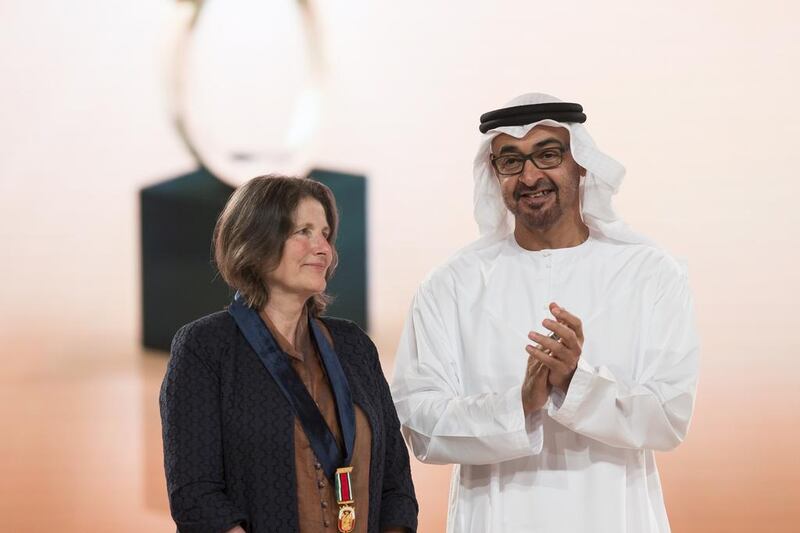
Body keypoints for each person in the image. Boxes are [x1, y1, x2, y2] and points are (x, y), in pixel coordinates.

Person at [391, 93, 699, 532]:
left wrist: (577, 383)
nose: (530, 175)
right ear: (494, 173)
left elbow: (669, 418)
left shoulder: (649, 273)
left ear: (582, 164)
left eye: (548, 155)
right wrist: (520, 403)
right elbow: (420, 424)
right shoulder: (450, 286)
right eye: (510, 161)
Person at [160, 175, 418, 533]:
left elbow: (396, 485)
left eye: (325, 234)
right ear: (255, 240)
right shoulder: (204, 347)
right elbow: (196, 496)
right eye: (303, 232)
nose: (323, 248)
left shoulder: (354, 345)